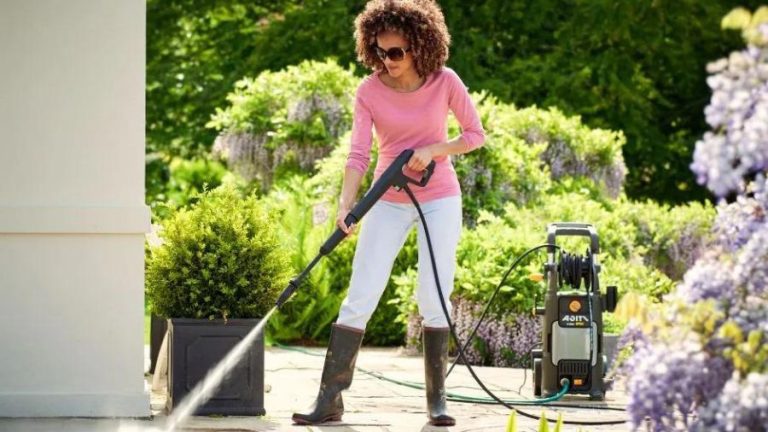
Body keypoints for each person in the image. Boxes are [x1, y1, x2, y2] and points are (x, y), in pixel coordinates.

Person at [292, 0, 485, 426]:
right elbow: (359, 153)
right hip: (386, 198)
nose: (388, 60)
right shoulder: (369, 91)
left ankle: (437, 401)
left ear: (418, 46)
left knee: (434, 295)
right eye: (380, 51)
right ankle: (330, 399)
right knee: (361, 295)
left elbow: (475, 135)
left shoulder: (444, 81)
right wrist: (347, 204)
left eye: (396, 52)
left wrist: (434, 149)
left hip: (439, 197)